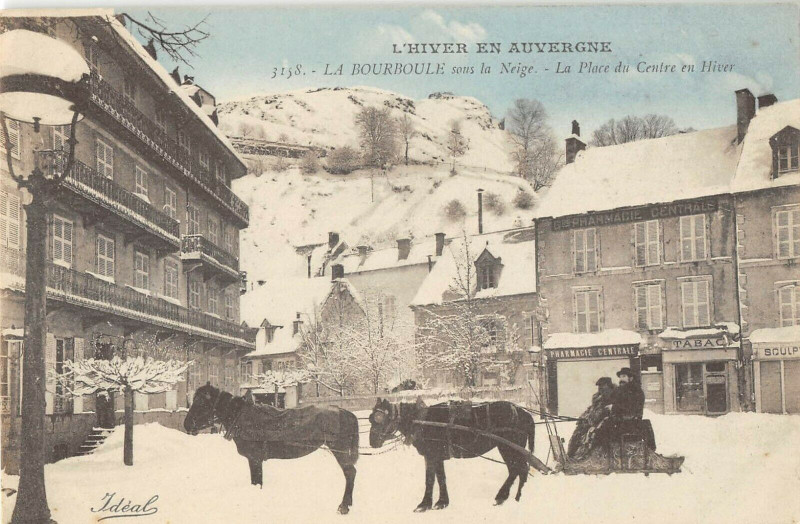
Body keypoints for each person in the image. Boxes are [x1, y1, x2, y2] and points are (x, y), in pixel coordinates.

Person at [567, 377, 616, 459]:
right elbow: (591, 409)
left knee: (585, 436)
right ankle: (571, 456)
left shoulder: (611, 396)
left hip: (602, 424)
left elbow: (602, 412)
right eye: (599, 386)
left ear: (608, 385)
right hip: (594, 421)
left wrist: (589, 420)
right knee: (578, 432)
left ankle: (581, 457)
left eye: (602, 386)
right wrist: (583, 417)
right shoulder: (598, 397)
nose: (600, 388)